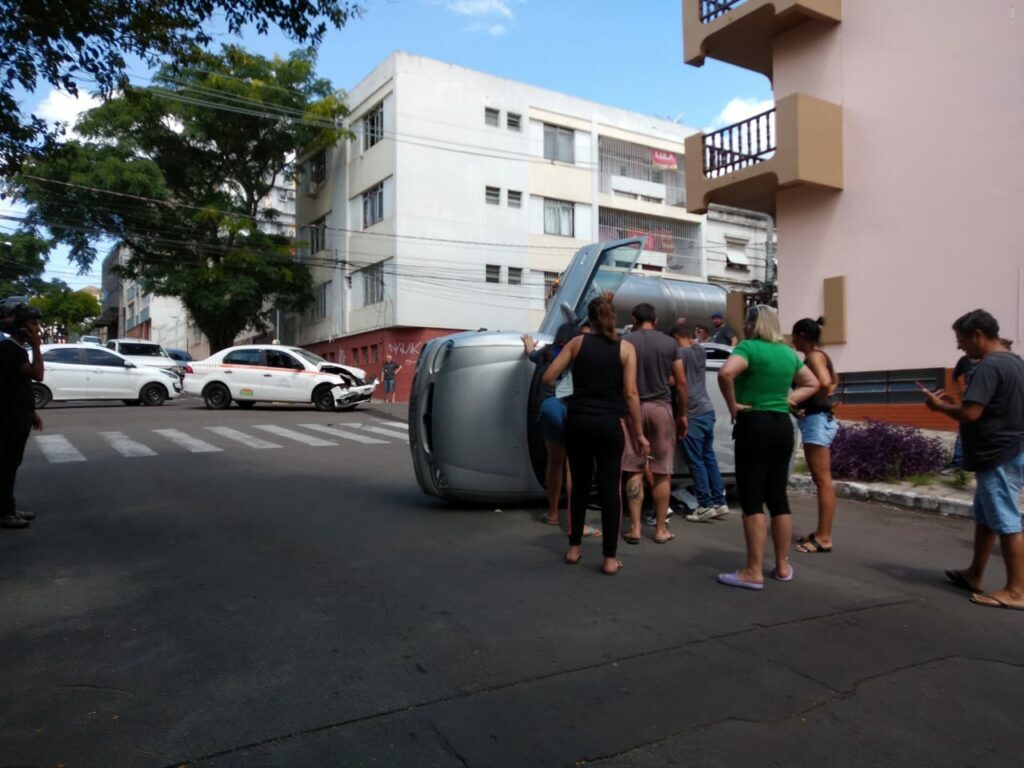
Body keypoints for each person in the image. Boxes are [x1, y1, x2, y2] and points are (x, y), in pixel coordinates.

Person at [921, 309, 1024, 610]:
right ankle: (975, 573)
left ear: (978, 335)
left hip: (997, 453)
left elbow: (971, 414)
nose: (959, 346)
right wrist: (953, 404)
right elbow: (981, 407)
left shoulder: (988, 367)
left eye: (962, 339)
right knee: (986, 516)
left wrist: (939, 407)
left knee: (1006, 520)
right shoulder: (1014, 362)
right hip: (1011, 448)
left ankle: (1017, 590)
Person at [543, 295, 649, 575]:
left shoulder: (577, 343)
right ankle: (609, 559)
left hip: (578, 422)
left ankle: (574, 548)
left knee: (578, 485)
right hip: (608, 425)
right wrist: (639, 434)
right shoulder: (626, 349)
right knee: (609, 489)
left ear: (589, 319)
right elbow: (631, 394)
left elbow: (548, 377)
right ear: (613, 317)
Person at [716, 305, 819, 589]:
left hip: (755, 424)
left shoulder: (749, 348)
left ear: (753, 324)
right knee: (777, 497)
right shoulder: (788, 353)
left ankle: (753, 570)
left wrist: (733, 406)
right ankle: (783, 565)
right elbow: (813, 383)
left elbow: (725, 374)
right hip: (782, 427)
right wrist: (789, 399)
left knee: (752, 499)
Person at [522, 323, 599, 538]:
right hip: (573, 409)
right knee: (574, 467)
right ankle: (577, 524)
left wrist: (529, 345)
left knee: (554, 463)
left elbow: (531, 355)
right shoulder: (578, 352)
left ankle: (553, 513)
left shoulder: (547, 353)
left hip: (550, 408)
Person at [620, 303, 687, 545]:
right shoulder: (669, 343)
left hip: (632, 411)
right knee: (661, 472)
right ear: (656, 320)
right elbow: (680, 381)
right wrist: (683, 414)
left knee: (634, 469)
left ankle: (635, 528)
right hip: (661, 409)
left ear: (633, 319)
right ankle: (660, 529)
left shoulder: (625, 342)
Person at [671, 321, 728, 522]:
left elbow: (675, 381)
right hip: (707, 408)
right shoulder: (699, 351)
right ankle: (719, 501)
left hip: (692, 412)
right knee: (708, 457)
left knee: (696, 461)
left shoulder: (681, 354)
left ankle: (704, 505)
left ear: (676, 339)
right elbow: (693, 342)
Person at [790, 317, 839, 554]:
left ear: (801, 336)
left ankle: (824, 537)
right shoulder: (822, 356)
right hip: (818, 419)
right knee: (822, 480)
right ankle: (821, 532)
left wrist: (817, 403)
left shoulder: (815, 357)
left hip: (817, 421)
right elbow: (834, 382)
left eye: (793, 337)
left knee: (822, 481)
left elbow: (826, 382)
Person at [0, 297, 45, 530]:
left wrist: (32, 412)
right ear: (19, 326)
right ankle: (5, 513)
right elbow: (38, 374)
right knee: (7, 464)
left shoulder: (14, 349)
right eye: (32, 324)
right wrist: (37, 346)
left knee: (10, 464)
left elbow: (20, 384)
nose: (36, 328)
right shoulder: (11, 350)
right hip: (10, 417)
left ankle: (9, 507)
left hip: (19, 413)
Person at [948, 352, 980, 469]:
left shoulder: (989, 359)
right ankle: (957, 462)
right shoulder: (964, 360)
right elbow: (954, 376)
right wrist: (959, 392)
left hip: (985, 401)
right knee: (963, 429)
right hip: (968, 400)